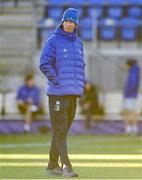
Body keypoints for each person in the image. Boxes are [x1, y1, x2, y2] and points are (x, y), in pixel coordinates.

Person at [39, 8, 85, 177]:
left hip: (73, 94)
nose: (68, 24)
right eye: (66, 21)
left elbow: (81, 66)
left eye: (72, 22)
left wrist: (81, 84)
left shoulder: (78, 43)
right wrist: (56, 80)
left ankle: (52, 165)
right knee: (60, 130)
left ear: (76, 24)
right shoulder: (53, 41)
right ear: (62, 22)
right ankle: (66, 166)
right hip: (58, 93)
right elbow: (44, 63)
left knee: (62, 131)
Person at [122, 59, 140, 135]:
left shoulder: (133, 72)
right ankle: (132, 128)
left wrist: (128, 92)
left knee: (129, 112)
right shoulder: (134, 71)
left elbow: (133, 84)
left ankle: (131, 128)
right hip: (131, 95)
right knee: (129, 111)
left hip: (130, 95)